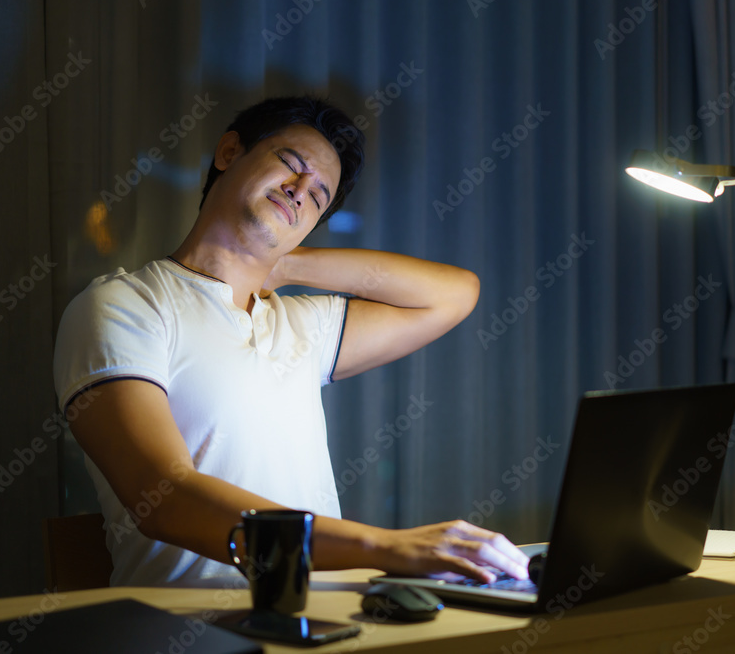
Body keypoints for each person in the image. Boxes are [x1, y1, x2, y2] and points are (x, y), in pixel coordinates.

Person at [53, 95, 530, 587]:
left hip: (327, 620)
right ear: (229, 152)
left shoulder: (303, 324)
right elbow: (164, 498)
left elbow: (455, 295)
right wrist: (386, 546)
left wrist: (286, 263)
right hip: (192, 628)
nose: (301, 190)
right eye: (290, 165)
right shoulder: (123, 305)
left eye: (319, 196)